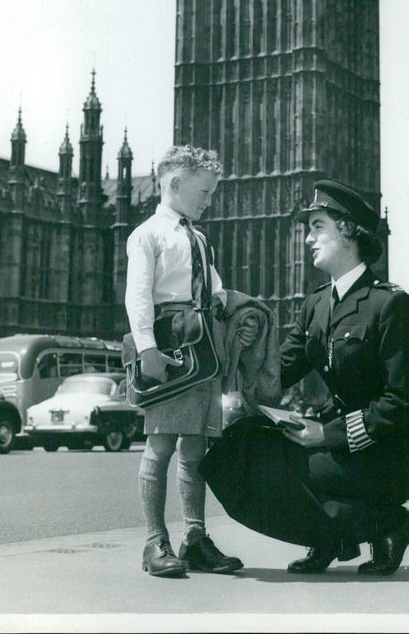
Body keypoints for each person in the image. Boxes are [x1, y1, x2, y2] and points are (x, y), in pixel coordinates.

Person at [200, 179, 409, 576]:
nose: (308, 238)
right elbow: (276, 374)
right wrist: (241, 336)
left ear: (348, 231)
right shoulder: (316, 305)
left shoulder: (390, 304)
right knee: (239, 452)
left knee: (291, 471)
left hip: (390, 452)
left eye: (318, 227)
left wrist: (325, 435)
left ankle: (390, 525)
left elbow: (401, 404)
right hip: (345, 446)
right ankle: (332, 535)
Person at [125, 144, 253, 578]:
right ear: (175, 185)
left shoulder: (199, 238)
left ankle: (194, 538)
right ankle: (154, 541)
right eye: (204, 191)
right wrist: (146, 350)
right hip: (167, 348)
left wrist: (234, 309)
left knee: (195, 447)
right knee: (160, 444)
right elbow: (138, 296)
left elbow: (214, 289)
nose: (209, 200)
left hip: (202, 351)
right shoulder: (148, 234)